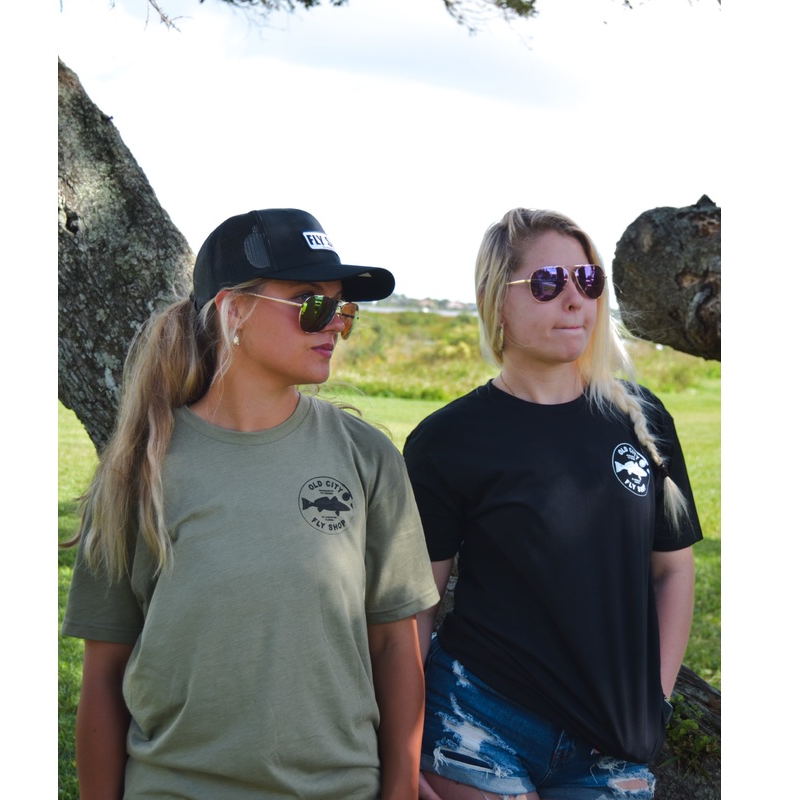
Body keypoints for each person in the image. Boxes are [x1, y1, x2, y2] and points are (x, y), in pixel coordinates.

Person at [61, 208, 441, 800]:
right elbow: (105, 674)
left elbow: (396, 646)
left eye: (342, 310)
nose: (334, 326)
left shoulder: (366, 456)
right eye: (310, 305)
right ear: (233, 310)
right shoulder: (140, 469)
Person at [403, 207, 702, 800]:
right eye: (546, 283)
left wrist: (657, 699)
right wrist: (401, 745)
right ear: (497, 301)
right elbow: (416, 610)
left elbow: (672, 571)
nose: (574, 300)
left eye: (588, 281)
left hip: (614, 739)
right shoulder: (446, 440)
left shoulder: (641, 419)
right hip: (477, 720)